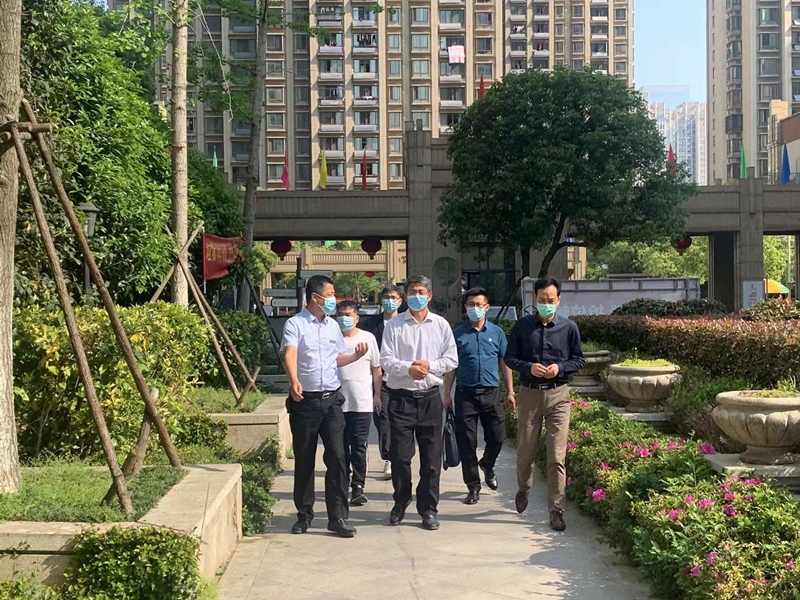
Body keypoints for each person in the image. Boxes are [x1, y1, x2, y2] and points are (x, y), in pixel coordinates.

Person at [280, 275, 369, 538]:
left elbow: (336, 357)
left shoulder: (332, 326)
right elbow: (290, 353)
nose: (333, 299)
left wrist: (355, 356)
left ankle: (337, 517)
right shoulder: (295, 323)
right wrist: (293, 380)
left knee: (338, 457)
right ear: (315, 297)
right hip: (304, 402)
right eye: (330, 295)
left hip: (331, 401)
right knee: (304, 458)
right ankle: (304, 514)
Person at [505, 277, 584, 532]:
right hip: (529, 394)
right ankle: (524, 488)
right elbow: (510, 358)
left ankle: (556, 510)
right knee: (525, 453)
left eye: (551, 300)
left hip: (559, 395)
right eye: (542, 300)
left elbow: (578, 360)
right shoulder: (522, 327)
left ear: (558, 300)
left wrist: (560, 367)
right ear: (534, 299)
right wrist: (529, 367)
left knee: (556, 457)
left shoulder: (569, 328)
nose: (546, 304)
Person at [381, 275, 458, 531]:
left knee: (431, 461)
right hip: (401, 400)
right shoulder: (394, 325)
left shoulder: (441, 325)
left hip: (429, 400)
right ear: (405, 297)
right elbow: (386, 360)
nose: (417, 296)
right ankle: (401, 500)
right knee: (400, 458)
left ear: (430, 295)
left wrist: (430, 365)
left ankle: (428, 509)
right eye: (412, 292)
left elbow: (452, 360)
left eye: (421, 291)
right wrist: (407, 369)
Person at [443, 287, 515, 506]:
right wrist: (447, 395)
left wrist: (510, 392)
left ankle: (487, 464)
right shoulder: (457, 334)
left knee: (497, 437)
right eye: (471, 305)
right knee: (467, 443)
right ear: (465, 308)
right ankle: (473, 486)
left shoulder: (497, 333)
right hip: (466, 395)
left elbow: (505, 362)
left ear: (487, 307)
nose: (475, 308)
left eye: (479, 305)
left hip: (491, 394)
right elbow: (451, 367)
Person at [336, 300, 382, 506]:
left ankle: (358, 485)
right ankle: (341, 482)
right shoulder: (332, 338)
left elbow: (376, 369)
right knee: (339, 447)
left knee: (359, 446)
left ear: (356, 318)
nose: (343, 318)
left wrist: (377, 395)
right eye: (340, 314)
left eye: (348, 315)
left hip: (361, 402)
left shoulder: (367, 338)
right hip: (336, 403)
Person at [358, 284, 405, 480]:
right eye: (387, 297)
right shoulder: (369, 325)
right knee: (383, 419)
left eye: (393, 297)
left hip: (402, 379)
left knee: (400, 421)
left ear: (400, 301)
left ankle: (400, 456)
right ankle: (389, 458)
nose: (390, 301)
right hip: (379, 380)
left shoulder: (406, 323)